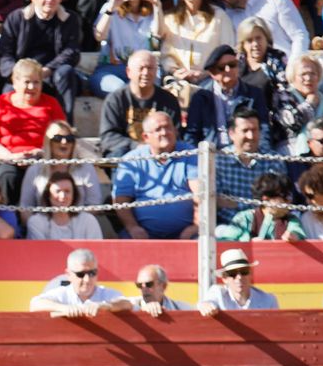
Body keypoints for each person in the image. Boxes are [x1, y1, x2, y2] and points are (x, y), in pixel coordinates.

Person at [0, 57, 66, 203]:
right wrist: (11, 157)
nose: (32, 87)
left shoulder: (51, 104)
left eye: (36, 82)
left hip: (42, 159)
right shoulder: (0, 103)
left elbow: (62, 136)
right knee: (8, 176)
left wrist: (43, 153)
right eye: (27, 82)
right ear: (15, 82)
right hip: (8, 159)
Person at [0, 0, 81, 118]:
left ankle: (65, 127)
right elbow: (5, 53)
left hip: (52, 74)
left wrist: (48, 70)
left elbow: (71, 51)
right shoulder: (16, 18)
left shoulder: (70, 19)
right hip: (23, 75)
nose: (49, 0)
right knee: (9, 90)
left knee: (66, 73)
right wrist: (19, 74)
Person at [113, 110, 201, 240]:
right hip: (142, 233)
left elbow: (201, 196)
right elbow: (120, 200)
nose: (164, 133)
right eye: (158, 129)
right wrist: (133, 227)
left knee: (204, 242)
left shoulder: (190, 154)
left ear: (175, 131)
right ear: (146, 137)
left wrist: (195, 226)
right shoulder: (131, 160)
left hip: (188, 232)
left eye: (168, 127)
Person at [89, 0, 161, 97]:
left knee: (150, 87)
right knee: (122, 90)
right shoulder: (110, 9)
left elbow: (158, 34)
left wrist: (157, 6)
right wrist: (111, 7)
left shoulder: (153, 11)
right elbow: (99, 36)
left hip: (143, 70)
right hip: (111, 69)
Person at [160, 0, 235, 99]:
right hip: (178, 80)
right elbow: (166, 54)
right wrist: (176, 71)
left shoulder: (220, 17)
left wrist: (207, 73)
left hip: (212, 79)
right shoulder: (169, 19)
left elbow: (228, 51)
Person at [214, 0, 308, 62]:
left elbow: (299, 35)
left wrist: (293, 67)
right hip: (251, 75)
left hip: (284, 68)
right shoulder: (228, 15)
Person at [98, 48, 181, 162]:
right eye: (141, 68)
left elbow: (175, 133)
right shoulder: (115, 100)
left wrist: (155, 147)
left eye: (150, 68)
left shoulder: (168, 100)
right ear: (128, 72)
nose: (146, 73)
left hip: (160, 154)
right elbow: (109, 137)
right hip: (126, 154)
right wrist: (137, 147)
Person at [214, 105, 286, 221]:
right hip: (228, 227)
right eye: (245, 130)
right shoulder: (219, 160)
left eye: (254, 130)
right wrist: (259, 205)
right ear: (231, 133)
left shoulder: (273, 160)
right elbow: (216, 201)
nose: (250, 136)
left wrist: (235, 204)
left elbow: (280, 201)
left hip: (266, 226)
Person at [20, 118, 105, 208]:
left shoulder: (86, 168)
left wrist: (77, 220)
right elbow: (26, 206)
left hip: (79, 219)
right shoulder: (35, 170)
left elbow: (94, 204)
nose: (64, 142)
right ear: (49, 141)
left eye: (69, 138)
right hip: (42, 220)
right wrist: (34, 222)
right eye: (58, 138)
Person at [28, 247, 134, 316]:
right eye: (81, 274)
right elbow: (35, 304)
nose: (87, 280)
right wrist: (64, 308)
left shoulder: (106, 294)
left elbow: (126, 303)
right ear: (69, 275)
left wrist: (105, 306)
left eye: (92, 273)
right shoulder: (63, 293)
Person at [218, 170, 307, 240]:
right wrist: (249, 244)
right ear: (266, 198)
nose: (289, 200)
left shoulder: (291, 220)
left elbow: (297, 232)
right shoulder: (245, 218)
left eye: (290, 196)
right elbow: (226, 241)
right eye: (285, 196)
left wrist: (293, 236)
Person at [274, 52, 323, 155]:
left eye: (312, 74)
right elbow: (291, 124)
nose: (308, 78)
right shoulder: (284, 95)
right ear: (294, 76)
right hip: (290, 149)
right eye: (303, 74)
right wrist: (310, 104)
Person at [25, 167, 103, 240]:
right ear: (48, 195)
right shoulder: (36, 222)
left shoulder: (88, 221)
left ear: (74, 195)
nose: (62, 196)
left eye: (67, 191)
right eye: (58, 191)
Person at [199, 248, 279, 314]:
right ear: (224, 278)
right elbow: (206, 303)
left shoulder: (268, 300)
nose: (239, 277)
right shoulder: (218, 293)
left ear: (250, 274)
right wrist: (206, 306)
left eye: (244, 271)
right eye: (232, 273)